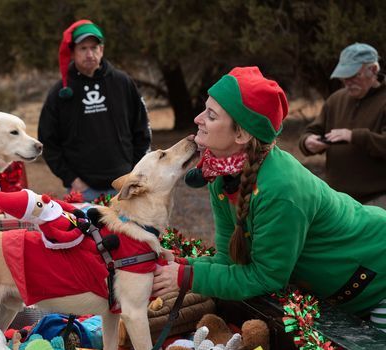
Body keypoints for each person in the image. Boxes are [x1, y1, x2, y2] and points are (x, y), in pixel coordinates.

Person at [152, 66, 386, 332]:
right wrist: (179, 266)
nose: (197, 118)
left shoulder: (281, 189)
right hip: (347, 290)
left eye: (211, 114)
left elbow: (265, 277)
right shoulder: (219, 173)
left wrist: (186, 277)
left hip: (378, 270)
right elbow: (229, 262)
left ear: (241, 134)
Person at [38, 20, 151, 202]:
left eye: (94, 47)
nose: (90, 54)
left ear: (102, 49)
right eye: (83, 48)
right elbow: (49, 142)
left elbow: (142, 129)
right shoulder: (60, 93)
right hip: (84, 190)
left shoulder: (122, 82)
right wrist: (72, 180)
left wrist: (134, 171)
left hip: (125, 185)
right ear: (73, 51)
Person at [298, 43, 386, 208]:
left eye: (354, 75)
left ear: (373, 70)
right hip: (338, 201)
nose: (347, 81)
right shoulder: (336, 99)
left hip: (378, 201)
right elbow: (311, 131)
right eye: (344, 76)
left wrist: (354, 136)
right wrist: (308, 142)